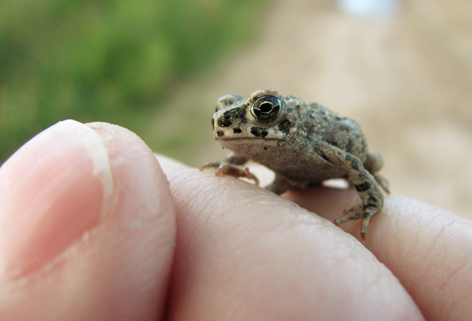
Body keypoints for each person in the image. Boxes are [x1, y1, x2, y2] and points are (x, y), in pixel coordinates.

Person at [0, 120, 470, 320]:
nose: (236, 124)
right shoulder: (271, 154)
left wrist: (370, 202)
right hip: (289, 176)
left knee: (374, 159)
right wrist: (230, 165)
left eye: (261, 113)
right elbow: (263, 171)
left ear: (282, 122)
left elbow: (355, 164)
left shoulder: (305, 139)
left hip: (331, 148)